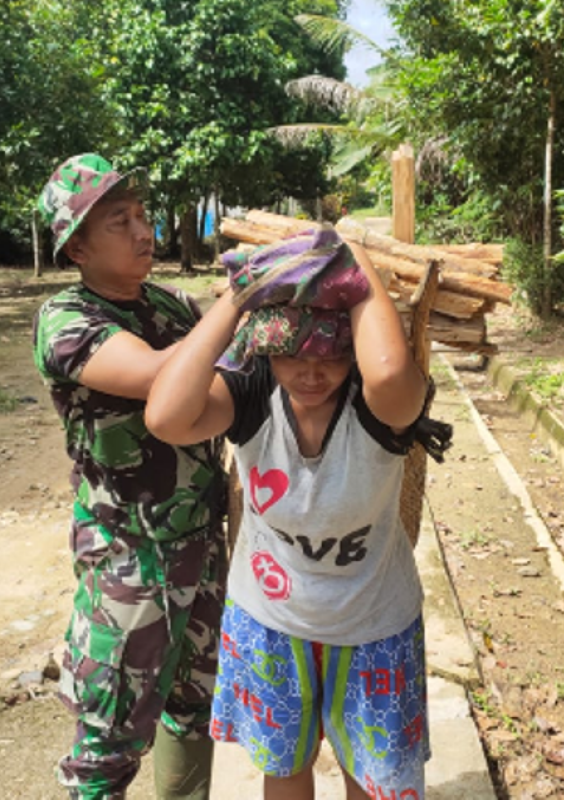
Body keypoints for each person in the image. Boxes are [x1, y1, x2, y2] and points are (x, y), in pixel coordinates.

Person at [145, 225, 450, 800]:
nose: (310, 373)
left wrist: (350, 255)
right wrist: (242, 294)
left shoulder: (380, 406)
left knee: (375, 778)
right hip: (270, 623)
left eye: (331, 355)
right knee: (284, 768)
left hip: (374, 628)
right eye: (290, 353)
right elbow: (165, 416)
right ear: (263, 348)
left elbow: (387, 371)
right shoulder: (253, 392)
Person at [32, 153, 227, 800]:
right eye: (121, 221)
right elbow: (158, 377)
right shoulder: (67, 320)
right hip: (129, 560)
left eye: (143, 215)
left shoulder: (175, 306)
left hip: (204, 544)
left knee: (195, 706)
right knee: (108, 738)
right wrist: (238, 306)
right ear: (77, 247)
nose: (145, 232)